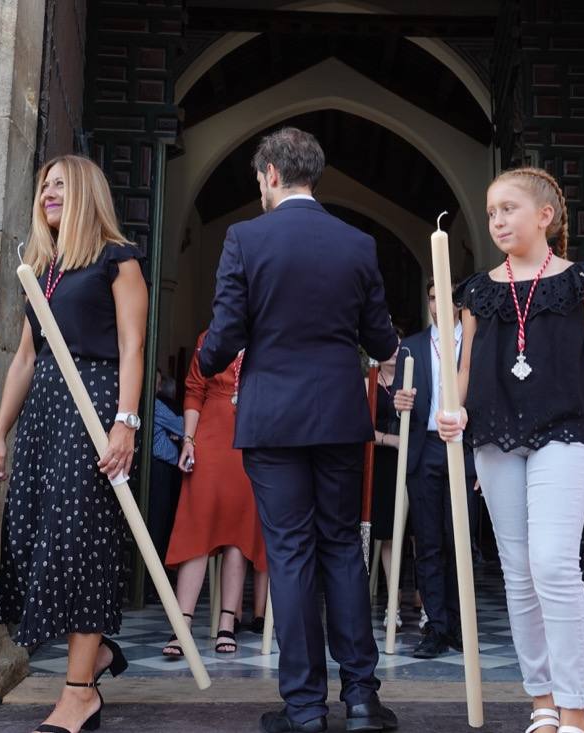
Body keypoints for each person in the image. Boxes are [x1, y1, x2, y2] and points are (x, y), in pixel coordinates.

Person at [198, 127, 399, 733]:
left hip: (272, 418)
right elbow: (381, 340)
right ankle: (361, 699)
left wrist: (205, 359)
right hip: (339, 415)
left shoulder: (245, 238)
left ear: (270, 175)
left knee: (289, 553)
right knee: (342, 547)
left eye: (259, 180)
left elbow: (226, 333)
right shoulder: (358, 243)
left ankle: (306, 708)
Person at [437, 167, 584, 733]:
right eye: (491, 212)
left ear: (545, 216)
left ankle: (575, 707)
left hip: (565, 432)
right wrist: (453, 412)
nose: (497, 220)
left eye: (509, 209)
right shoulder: (477, 292)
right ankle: (542, 701)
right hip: (496, 439)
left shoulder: (583, 282)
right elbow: (465, 372)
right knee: (519, 571)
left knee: (552, 562)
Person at [0, 154, 147, 733]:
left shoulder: (117, 259)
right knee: (40, 539)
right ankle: (94, 657)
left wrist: (126, 422)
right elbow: (25, 358)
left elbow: (132, 346)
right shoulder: (42, 270)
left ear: (85, 193)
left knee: (81, 541)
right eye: (44, 185)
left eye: (60, 184)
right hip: (46, 415)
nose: (48, 193)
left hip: (94, 406)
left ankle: (80, 694)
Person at [162, 331, 268, 657]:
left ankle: (227, 623)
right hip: (209, 436)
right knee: (198, 524)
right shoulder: (210, 336)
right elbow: (195, 390)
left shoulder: (269, 334)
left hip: (252, 436)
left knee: (239, 531)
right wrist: (188, 441)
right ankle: (181, 626)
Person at [391, 280, 478, 659]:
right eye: (431, 297)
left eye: (444, 296)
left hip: (463, 447)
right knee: (427, 543)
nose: (436, 303)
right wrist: (399, 401)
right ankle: (436, 626)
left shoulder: (475, 342)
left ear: (459, 303)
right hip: (424, 447)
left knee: (459, 540)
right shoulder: (411, 346)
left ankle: (460, 625)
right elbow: (399, 402)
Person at [368, 347, 403, 630]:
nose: (393, 351)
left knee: (417, 533)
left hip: (411, 459)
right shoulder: (368, 382)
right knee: (388, 533)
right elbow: (360, 426)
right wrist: (389, 440)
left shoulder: (410, 380)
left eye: (398, 346)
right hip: (381, 461)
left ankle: (427, 606)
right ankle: (394, 605)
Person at [146, 371, 184, 601]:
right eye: (157, 383)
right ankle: (152, 586)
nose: (158, 389)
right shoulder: (156, 406)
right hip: (160, 470)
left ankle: (149, 585)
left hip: (153, 469)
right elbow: (182, 426)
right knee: (158, 527)